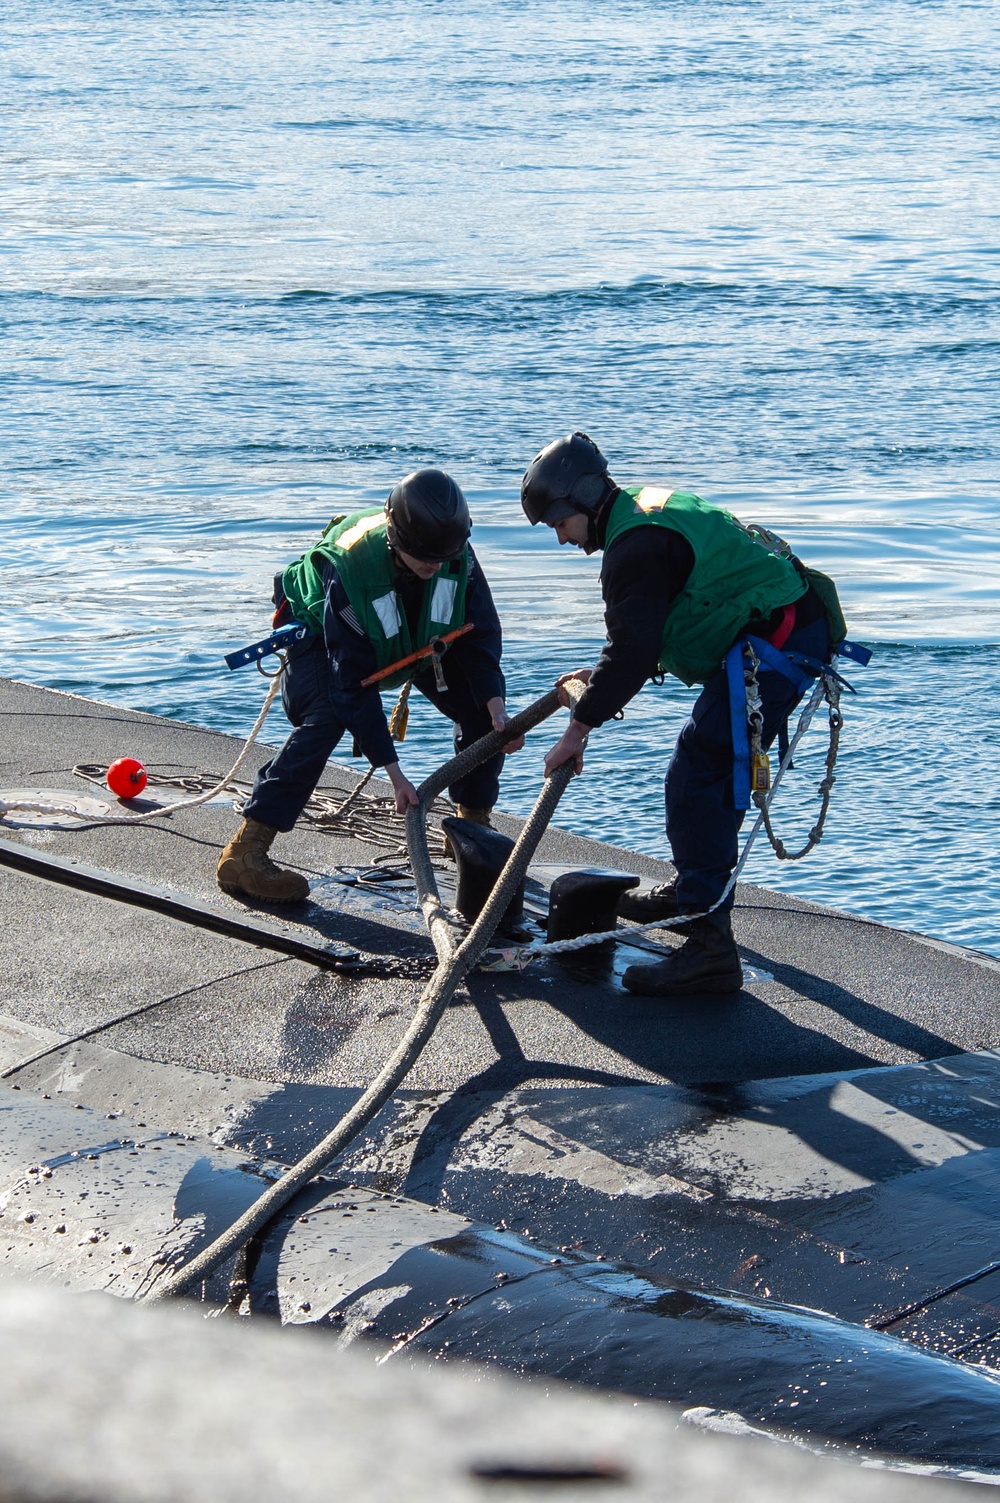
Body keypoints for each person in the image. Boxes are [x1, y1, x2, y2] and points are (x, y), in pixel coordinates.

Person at [521, 432, 840, 998]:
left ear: (583, 502)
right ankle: (695, 894)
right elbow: (642, 634)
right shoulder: (642, 513)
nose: (562, 539)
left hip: (776, 646)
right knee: (705, 773)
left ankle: (710, 952)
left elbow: (634, 651)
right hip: (782, 630)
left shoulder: (632, 547)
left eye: (558, 525)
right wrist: (605, 679)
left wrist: (577, 730)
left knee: (698, 776)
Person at [218, 468, 522, 902]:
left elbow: (480, 638)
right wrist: (394, 772)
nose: (435, 567)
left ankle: (471, 828)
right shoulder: (352, 570)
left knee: (480, 706)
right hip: (323, 639)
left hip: (413, 638)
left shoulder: (456, 554)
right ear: (397, 542)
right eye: (424, 559)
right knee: (327, 717)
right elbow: (351, 684)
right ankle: (246, 852)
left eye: (441, 558)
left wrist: (496, 709)